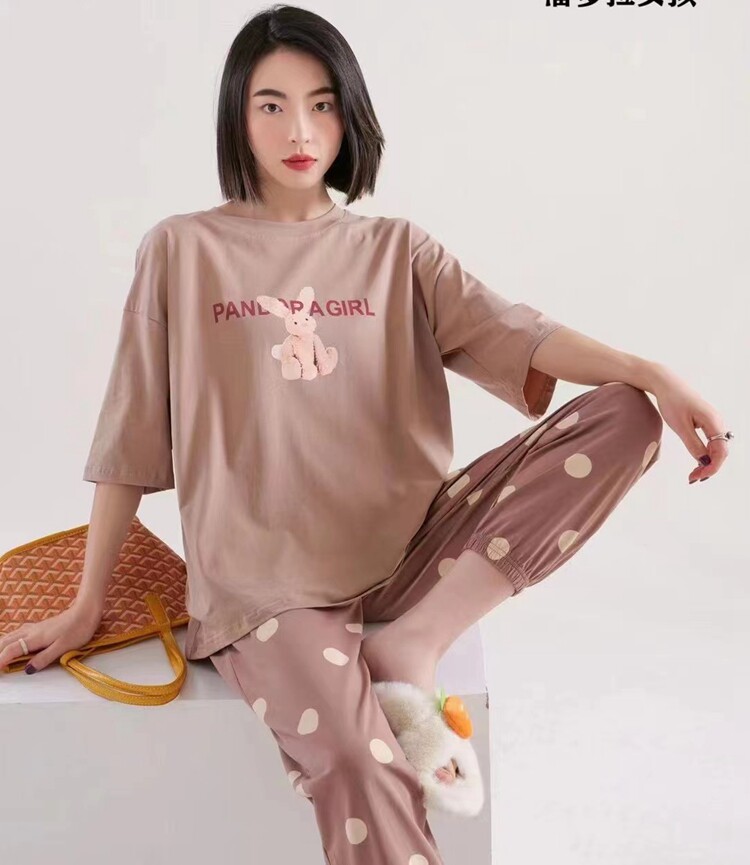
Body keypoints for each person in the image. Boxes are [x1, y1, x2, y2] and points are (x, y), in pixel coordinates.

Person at [0, 4, 732, 863]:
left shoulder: (397, 249)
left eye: (322, 104)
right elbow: (130, 430)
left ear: (350, 115)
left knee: (625, 413)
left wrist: (652, 372)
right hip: (268, 589)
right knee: (357, 759)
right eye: (271, 105)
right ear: (236, 114)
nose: (299, 130)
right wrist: (88, 602)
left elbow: (521, 333)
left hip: (413, 555)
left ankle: (414, 641)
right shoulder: (181, 250)